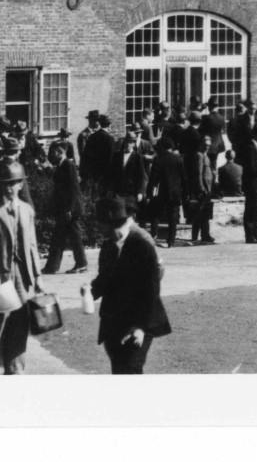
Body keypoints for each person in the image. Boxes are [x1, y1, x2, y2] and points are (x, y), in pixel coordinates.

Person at [90, 194, 171, 373]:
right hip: (114, 323)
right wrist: (89, 291)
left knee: (131, 369)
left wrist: (140, 327)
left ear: (110, 223)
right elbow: (104, 279)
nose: (97, 226)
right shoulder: (108, 246)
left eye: (99, 222)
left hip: (138, 321)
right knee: (119, 369)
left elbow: (150, 290)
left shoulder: (141, 245)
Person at [0, 163, 40, 374]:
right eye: (6, 184)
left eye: (14, 183)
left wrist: (38, 276)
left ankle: (16, 367)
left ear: (20, 184)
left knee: (21, 321)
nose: (10, 188)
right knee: (1, 321)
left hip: (22, 274)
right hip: (1, 275)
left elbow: (32, 245)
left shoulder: (26, 210)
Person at [43, 138, 89, 274]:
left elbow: (74, 189)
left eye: (53, 152)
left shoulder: (68, 166)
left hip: (70, 210)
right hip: (64, 209)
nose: (51, 155)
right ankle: (52, 266)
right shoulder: (62, 166)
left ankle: (81, 264)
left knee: (74, 237)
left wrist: (70, 209)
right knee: (59, 237)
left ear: (60, 152)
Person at [238, 126, 257, 242]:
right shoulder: (250, 148)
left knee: (256, 210)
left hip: (256, 183)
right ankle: (250, 235)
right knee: (251, 209)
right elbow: (252, 168)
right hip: (251, 183)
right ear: (256, 135)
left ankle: (256, 233)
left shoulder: (256, 147)